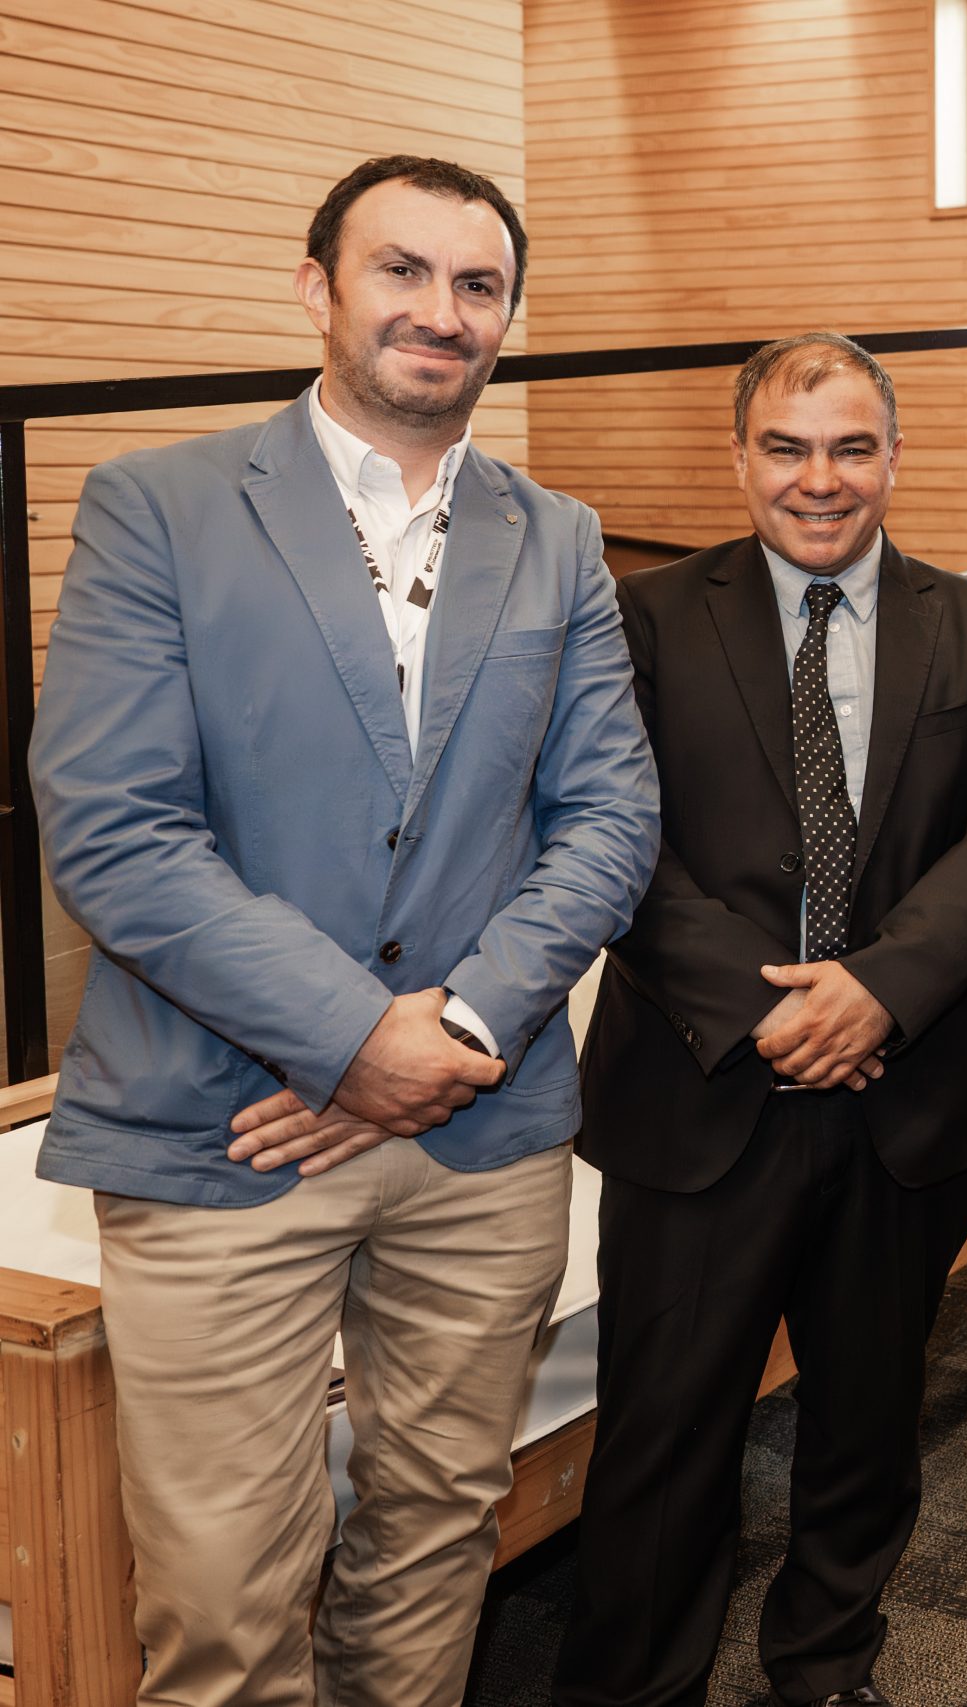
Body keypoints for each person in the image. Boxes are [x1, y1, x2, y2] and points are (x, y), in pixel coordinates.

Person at [28, 155, 660, 1707]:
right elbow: (113, 825)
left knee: (435, 1541)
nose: (440, 311)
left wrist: (453, 1033)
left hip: (481, 1131)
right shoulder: (159, 509)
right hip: (222, 1128)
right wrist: (352, 1038)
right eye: (402, 270)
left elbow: (608, 817)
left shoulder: (559, 536)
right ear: (318, 286)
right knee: (224, 1601)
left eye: (478, 284)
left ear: (506, 317)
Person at [556, 335, 967, 1707]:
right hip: (702, 1090)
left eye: (850, 447)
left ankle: (827, 1666)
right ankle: (632, 1689)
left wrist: (879, 986)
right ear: (740, 458)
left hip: (910, 1099)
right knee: (664, 1438)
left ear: (893, 456)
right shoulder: (644, 619)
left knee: (868, 1425)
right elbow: (608, 834)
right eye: (786, 448)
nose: (818, 479)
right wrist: (767, 1008)